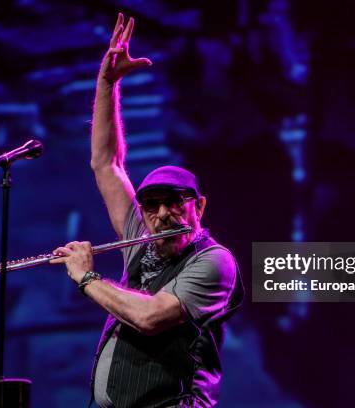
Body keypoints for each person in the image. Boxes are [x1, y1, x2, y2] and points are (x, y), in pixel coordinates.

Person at [51, 13, 244, 408]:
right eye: (151, 206)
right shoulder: (141, 236)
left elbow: (151, 317)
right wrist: (107, 83)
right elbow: (107, 163)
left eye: (175, 202)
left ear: (199, 207)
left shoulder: (214, 262)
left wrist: (87, 277)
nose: (162, 215)